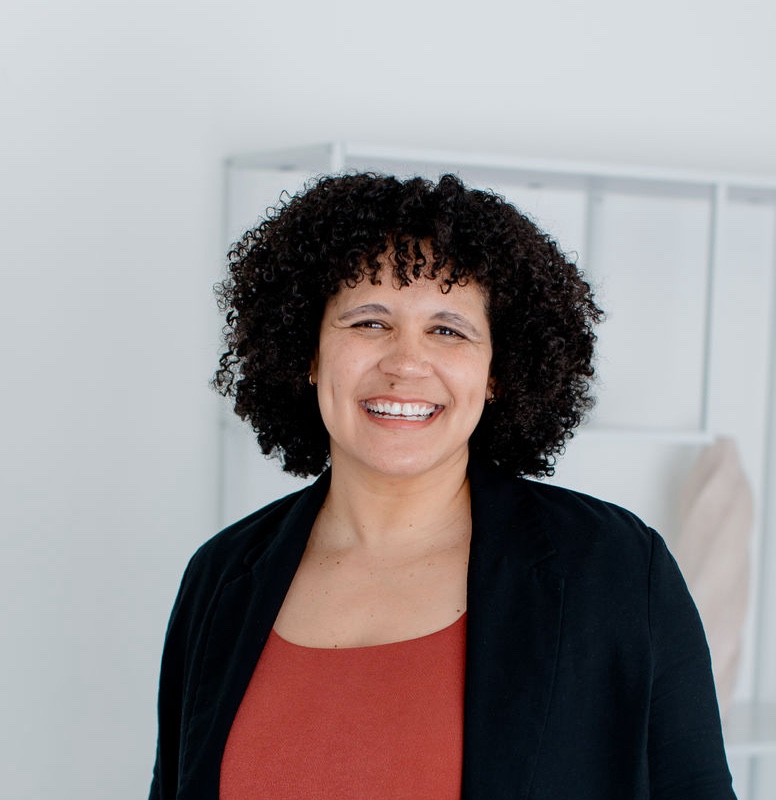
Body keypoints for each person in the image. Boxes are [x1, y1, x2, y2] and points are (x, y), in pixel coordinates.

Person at [148, 173, 736, 799]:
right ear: (309, 351)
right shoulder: (221, 576)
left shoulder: (615, 569)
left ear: (497, 373)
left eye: (448, 330)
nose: (405, 362)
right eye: (369, 322)